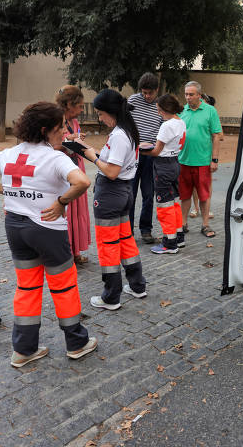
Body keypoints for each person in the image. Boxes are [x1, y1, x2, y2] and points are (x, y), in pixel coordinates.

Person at [0, 102, 97, 367]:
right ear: (45, 130)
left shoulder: (8, 154)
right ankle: (77, 343)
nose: (64, 130)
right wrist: (62, 202)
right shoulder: (55, 157)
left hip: (16, 227)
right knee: (64, 288)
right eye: (60, 126)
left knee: (27, 289)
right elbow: (83, 182)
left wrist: (7, 192)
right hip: (47, 230)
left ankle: (23, 349)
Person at [77, 90, 146, 310]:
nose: (99, 118)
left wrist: (91, 157)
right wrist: (88, 149)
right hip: (124, 192)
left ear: (111, 112)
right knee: (125, 240)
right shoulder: (128, 131)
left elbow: (112, 171)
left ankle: (111, 296)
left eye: (100, 113)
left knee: (108, 246)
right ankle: (137, 285)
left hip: (110, 193)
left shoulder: (118, 136)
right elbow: (114, 160)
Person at [179, 82, 222, 238]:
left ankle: (205, 225)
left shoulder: (210, 111)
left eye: (191, 94)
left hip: (203, 162)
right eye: (186, 94)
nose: (188, 97)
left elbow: (216, 135)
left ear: (199, 95)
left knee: (204, 195)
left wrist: (214, 159)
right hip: (183, 161)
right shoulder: (182, 111)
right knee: (184, 195)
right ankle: (183, 224)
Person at [144, 94, 186, 254]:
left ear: (164, 109)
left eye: (159, 110)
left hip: (163, 166)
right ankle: (178, 236)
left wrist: (141, 150)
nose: (158, 113)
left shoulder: (166, 126)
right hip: (175, 162)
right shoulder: (180, 122)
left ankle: (169, 243)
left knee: (164, 204)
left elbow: (156, 151)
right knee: (174, 201)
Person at [55, 86, 91, 265]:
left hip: (76, 166)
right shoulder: (57, 121)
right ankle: (66, 252)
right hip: (64, 171)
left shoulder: (74, 122)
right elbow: (53, 145)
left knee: (77, 212)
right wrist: (70, 140)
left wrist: (77, 139)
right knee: (67, 213)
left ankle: (76, 251)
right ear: (69, 104)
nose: (82, 110)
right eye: (80, 106)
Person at [127, 73, 163, 244]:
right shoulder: (133, 101)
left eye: (150, 93)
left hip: (151, 156)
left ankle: (146, 230)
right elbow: (124, 121)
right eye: (144, 93)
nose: (147, 96)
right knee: (130, 193)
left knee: (148, 194)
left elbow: (164, 129)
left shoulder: (160, 105)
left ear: (157, 90)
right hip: (133, 154)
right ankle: (128, 231)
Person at [189, 94, 221, 220]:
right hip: (192, 154)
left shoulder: (211, 114)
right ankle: (195, 208)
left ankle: (207, 209)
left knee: (205, 183)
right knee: (193, 184)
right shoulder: (191, 112)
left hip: (206, 154)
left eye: (203, 100)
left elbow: (220, 135)